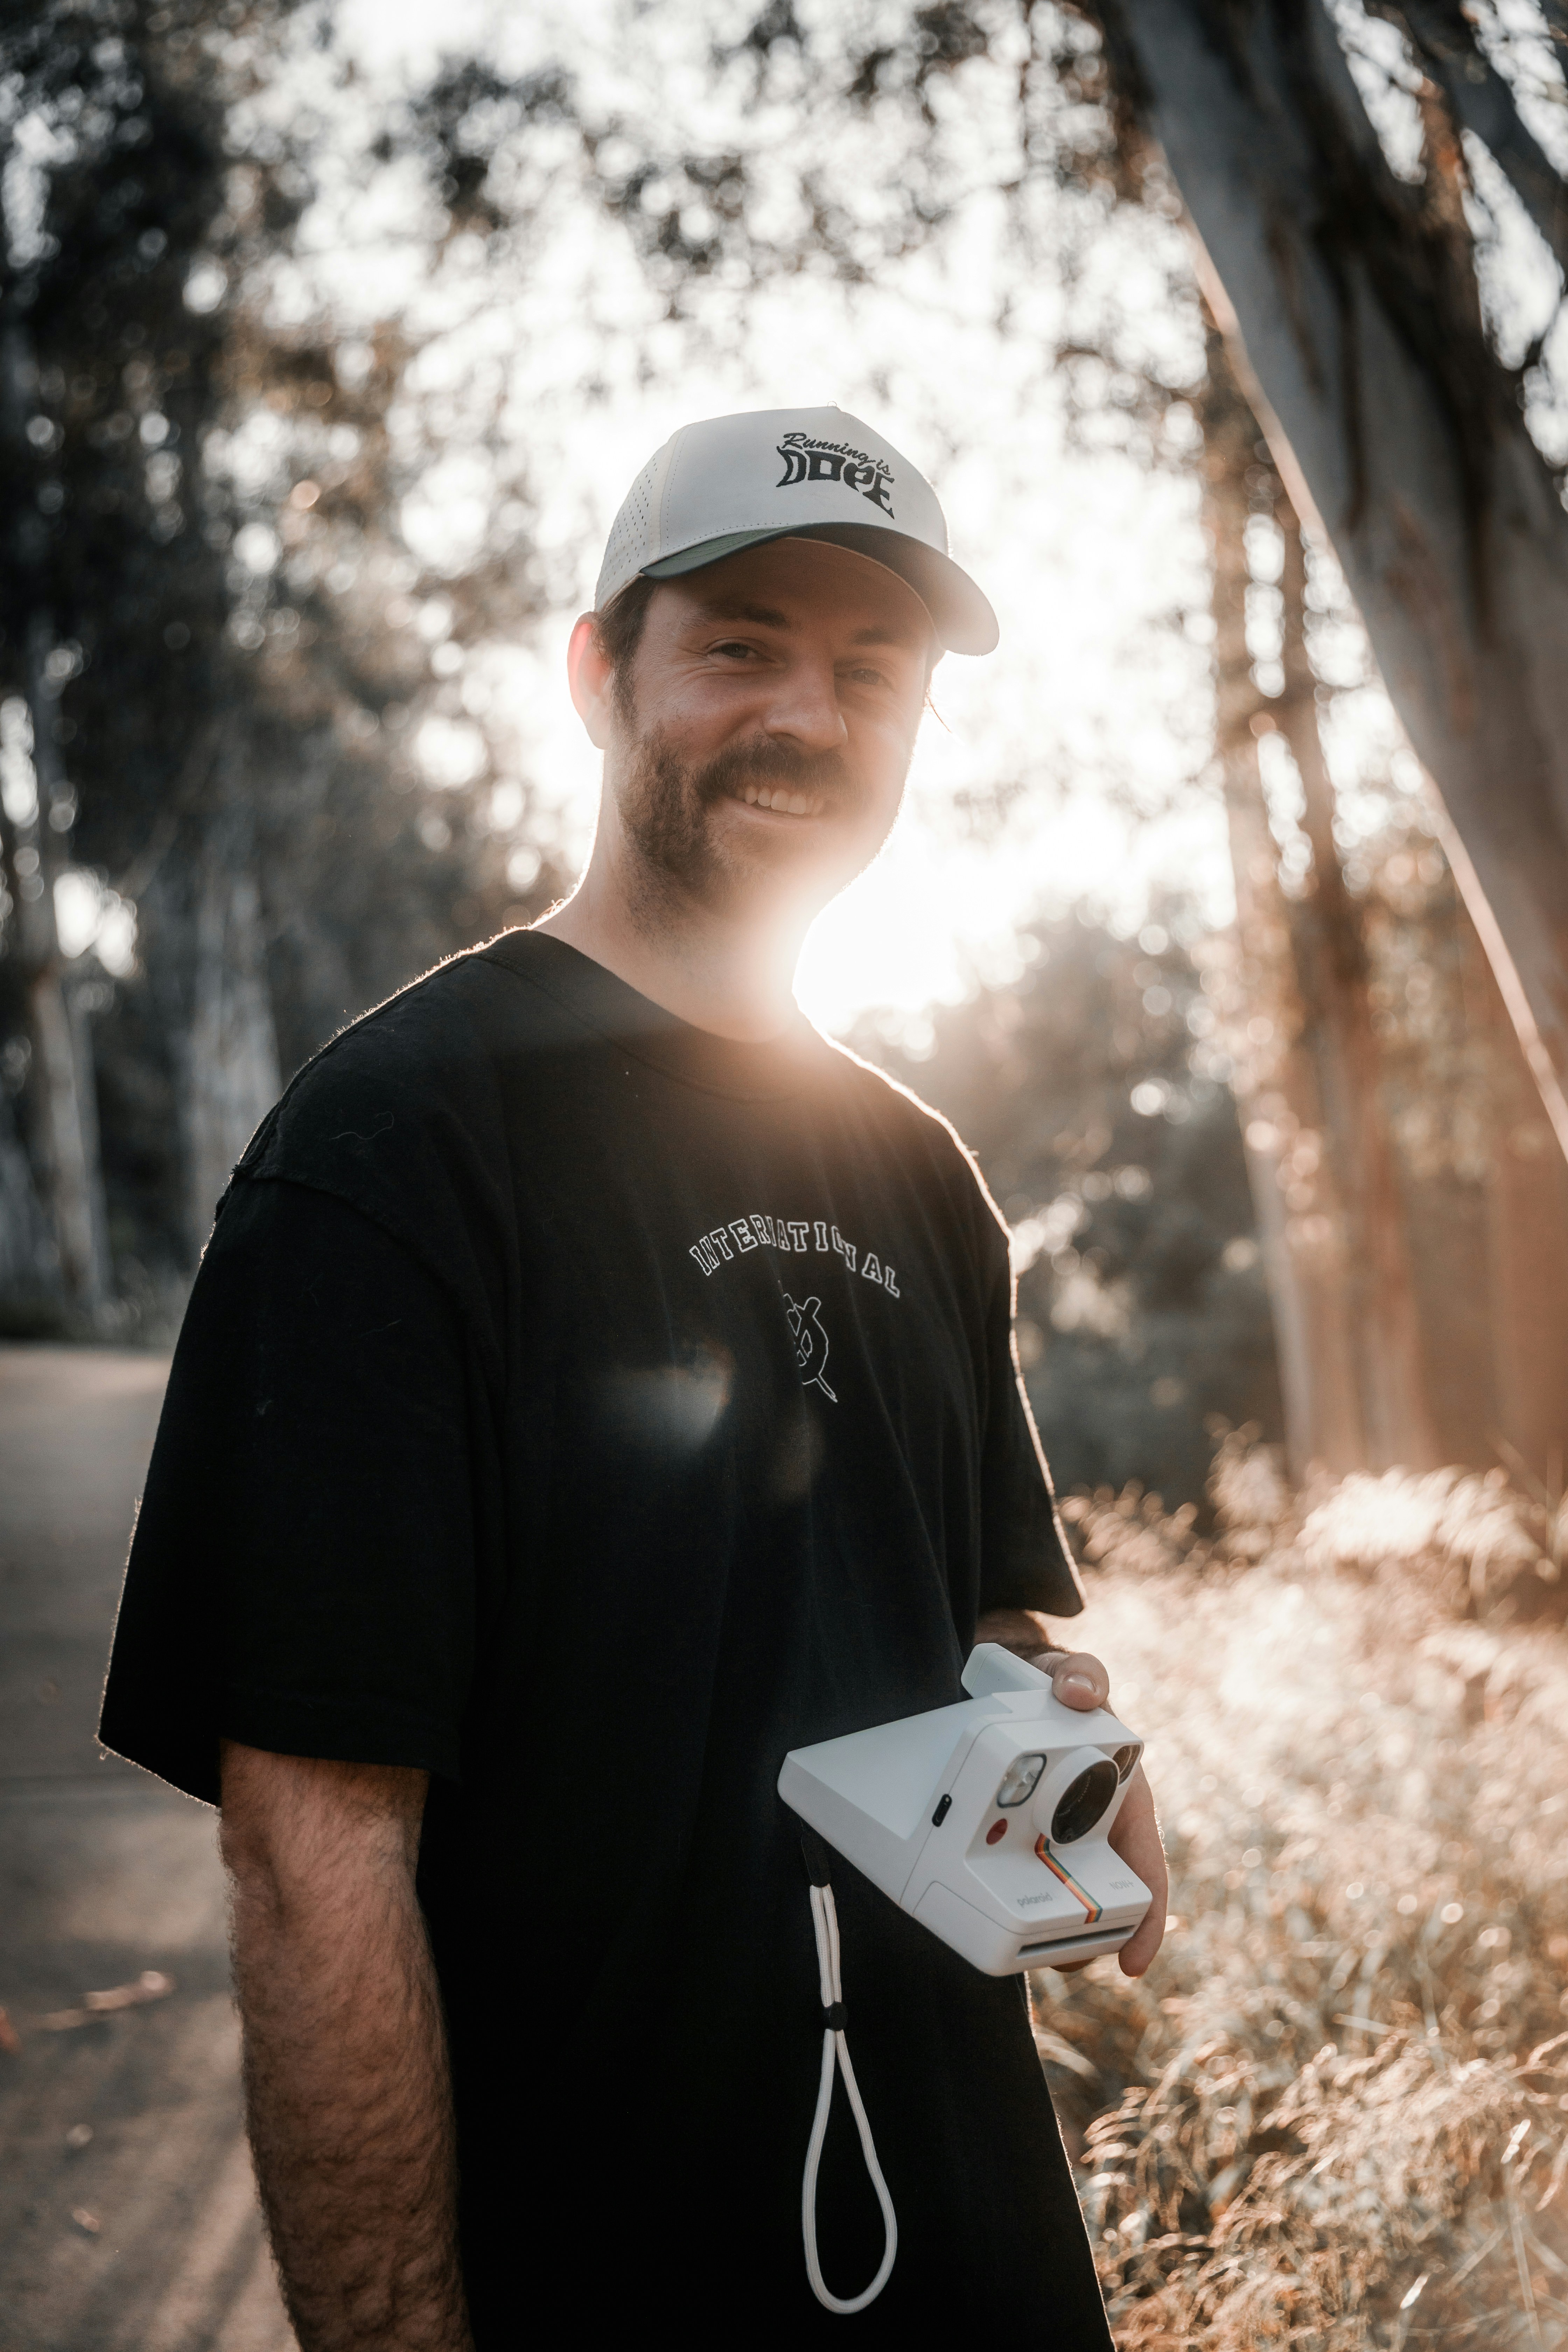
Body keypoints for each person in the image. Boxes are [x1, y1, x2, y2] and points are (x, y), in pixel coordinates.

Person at [101, 404, 1168, 2349]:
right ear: (599, 678)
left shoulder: (924, 1178)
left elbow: (982, 1626)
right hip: (611, 2273)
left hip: (984, 2270)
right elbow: (314, 1845)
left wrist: (1060, 1740)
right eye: (743, 645)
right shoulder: (392, 1152)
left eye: (874, 673)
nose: (813, 718)